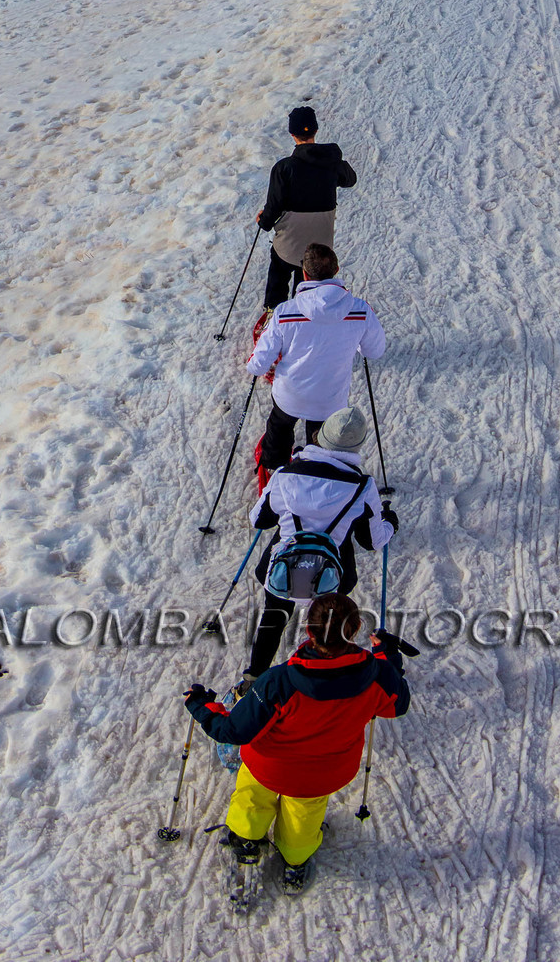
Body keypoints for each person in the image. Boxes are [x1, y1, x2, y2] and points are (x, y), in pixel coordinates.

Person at [185, 591, 410, 893]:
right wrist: (387, 656)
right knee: (305, 816)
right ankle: (295, 858)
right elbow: (398, 703)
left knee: (252, 795)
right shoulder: (378, 676)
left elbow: (233, 730)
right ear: (356, 628)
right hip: (323, 775)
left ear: (309, 631)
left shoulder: (279, 681)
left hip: (268, 766)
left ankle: (245, 839)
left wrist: (201, 705)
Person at [244, 406, 396, 678]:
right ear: (357, 446)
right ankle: (325, 677)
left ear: (320, 435)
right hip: (333, 576)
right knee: (329, 623)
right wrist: (390, 523)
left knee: (274, 615)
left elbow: (259, 520)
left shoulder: (285, 474)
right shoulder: (363, 487)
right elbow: (373, 541)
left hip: (281, 567)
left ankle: (254, 677)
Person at [248, 246, 385, 475]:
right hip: (330, 401)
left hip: (289, 396)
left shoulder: (285, 311)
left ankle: (273, 463)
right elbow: (375, 351)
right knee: (322, 437)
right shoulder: (360, 310)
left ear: (304, 273)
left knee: (279, 426)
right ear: (336, 270)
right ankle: (316, 468)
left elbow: (259, 364)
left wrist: (253, 365)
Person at [257, 105, 357, 311]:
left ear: (291, 134)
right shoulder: (331, 163)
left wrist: (263, 221)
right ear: (316, 130)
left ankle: (273, 313)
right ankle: (305, 313)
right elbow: (350, 179)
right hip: (320, 246)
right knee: (309, 278)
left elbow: (274, 206)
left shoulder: (284, 168)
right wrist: (335, 161)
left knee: (279, 268)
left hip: (290, 246)